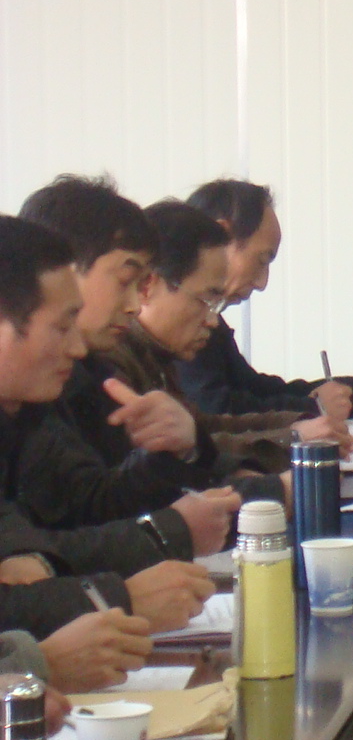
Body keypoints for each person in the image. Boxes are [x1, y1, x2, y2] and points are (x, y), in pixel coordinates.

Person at [0, 215, 217, 648]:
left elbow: (25, 542)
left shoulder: (21, 415)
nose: (76, 347)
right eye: (61, 327)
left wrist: (30, 557)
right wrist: (122, 598)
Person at [14, 176, 251, 541]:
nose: (134, 306)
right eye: (125, 281)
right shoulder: (64, 379)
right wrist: (171, 530)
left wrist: (180, 450)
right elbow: (50, 542)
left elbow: (93, 500)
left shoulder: (88, 370)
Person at [102, 203, 341, 477]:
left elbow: (204, 427)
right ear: (148, 285)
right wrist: (293, 438)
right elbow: (174, 462)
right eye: (206, 300)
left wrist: (299, 423)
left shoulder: (155, 356)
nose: (213, 321)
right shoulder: (113, 367)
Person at [179, 178, 353, 422]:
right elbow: (213, 411)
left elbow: (258, 391)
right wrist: (312, 407)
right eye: (262, 260)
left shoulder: (207, 320)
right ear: (222, 237)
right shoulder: (181, 321)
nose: (262, 283)